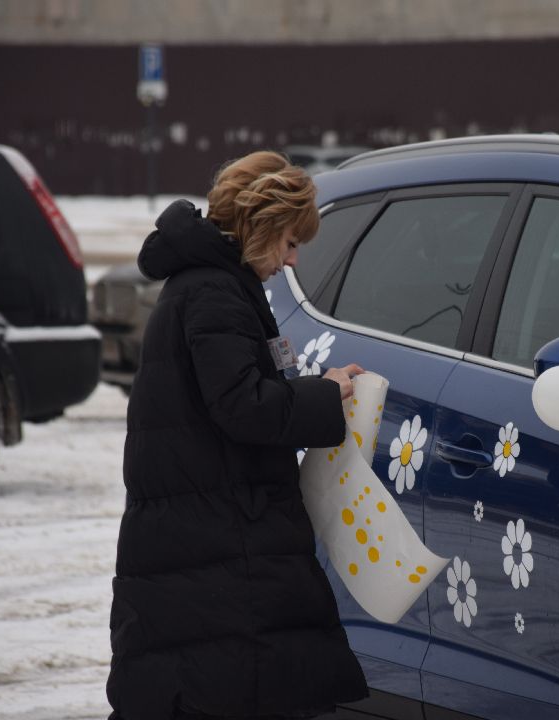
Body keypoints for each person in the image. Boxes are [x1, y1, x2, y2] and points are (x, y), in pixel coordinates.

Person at [107, 151, 369, 719]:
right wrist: (323, 392)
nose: (293, 261)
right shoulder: (214, 293)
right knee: (223, 693)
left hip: (207, 540)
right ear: (264, 227)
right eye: (291, 243)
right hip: (217, 545)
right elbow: (243, 407)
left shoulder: (212, 287)